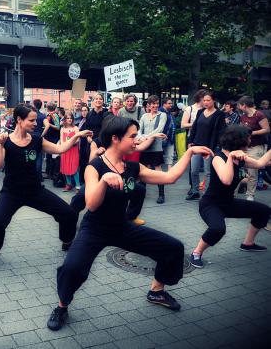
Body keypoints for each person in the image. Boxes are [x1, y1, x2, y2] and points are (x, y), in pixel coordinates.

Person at [46, 116, 213, 331]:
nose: (137, 140)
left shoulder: (133, 167)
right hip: (94, 229)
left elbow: (170, 177)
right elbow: (91, 204)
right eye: (133, 136)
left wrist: (189, 153)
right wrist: (105, 181)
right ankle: (62, 306)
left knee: (172, 247)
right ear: (115, 138)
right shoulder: (94, 167)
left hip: (121, 227)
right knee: (72, 267)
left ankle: (156, 291)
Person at [0, 104, 93, 268]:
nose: (36, 123)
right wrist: (0, 144)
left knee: (68, 214)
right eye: (32, 120)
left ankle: (67, 241)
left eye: (35, 120)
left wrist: (77, 135)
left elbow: (60, 148)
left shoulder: (36, 140)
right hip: (11, 192)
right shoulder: (6, 141)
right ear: (19, 120)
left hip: (35, 191)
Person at [189, 125, 271, 268]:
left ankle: (248, 243)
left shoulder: (241, 158)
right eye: (248, 138)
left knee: (263, 210)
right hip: (211, 204)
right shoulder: (218, 158)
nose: (250, 141)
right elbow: (226, 180)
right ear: (239, 141)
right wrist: (231, 157)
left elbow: (260, 163)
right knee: (218, 229)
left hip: (228, 203)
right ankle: (196, 253)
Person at [186, 91, 226, 200]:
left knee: (208, 172)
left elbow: (221, 133)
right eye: (204, 100)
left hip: (209, 147)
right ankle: (195, 191)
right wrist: (190, 141)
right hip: (196, 146)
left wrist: (215, 148)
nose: (206, 102)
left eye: (208, 100)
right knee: (193, 170)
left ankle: (207, 195)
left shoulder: (219, 114)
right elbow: (194, 128)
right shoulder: (200, 112)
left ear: (213, 101)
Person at [238, 96, 270, 201]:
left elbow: (266, 129)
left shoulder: (259, 115)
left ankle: (250, 195)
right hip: (244, 146)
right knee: (240, 170)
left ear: (244, 105)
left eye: (240, 105)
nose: (238, 107)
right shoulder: (243, 116)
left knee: (252, 172)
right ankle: (236, 191)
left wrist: (252, 133)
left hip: (256, 146)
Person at [139, 95, 168, 204]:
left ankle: (161, 195)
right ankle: (142, 192)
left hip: (156, 147)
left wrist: (145, 137)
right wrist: (142, 137)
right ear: (149, 105)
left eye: (157, 103)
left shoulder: (162, 115)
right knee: (144, 170)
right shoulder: (144, 116)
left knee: (158, 169)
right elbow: (138, 130)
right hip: (144, 147)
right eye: (153, 104)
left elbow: (159, 129)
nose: (155, 105)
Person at [181, 89, 206, 194]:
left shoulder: (208, 109)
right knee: (193, 166)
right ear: (200, 98)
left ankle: (205, 187)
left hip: (206, 139)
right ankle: (193, 187)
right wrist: (196, 124)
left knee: (207, 167)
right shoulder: (190, 109)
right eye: (204, 98)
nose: (206, 101)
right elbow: (183, 125)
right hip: (193, 138)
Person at [60, 113, 81, 192]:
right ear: (65, 120)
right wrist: (64, 146)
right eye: (67, 118)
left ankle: (78, 186)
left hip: (73, 150)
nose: (69, 119)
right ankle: (68, 185)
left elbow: (78, 139)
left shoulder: (75, 128)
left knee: (74, 168)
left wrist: (70, 143)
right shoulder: (62, 129)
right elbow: (61, 140)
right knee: (65, 167)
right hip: (65, 150)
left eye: (71, 118)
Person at [42, 102, 61, 179]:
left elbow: (58, 127)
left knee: (52, 156)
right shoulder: (50, 115)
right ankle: (49, 172)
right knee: (49, 156)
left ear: (47, 108)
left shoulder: (54, 115)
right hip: (50, 137)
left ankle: (51, 173)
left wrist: (49, 125)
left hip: (53, 138)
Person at [159, 97, 176, 171]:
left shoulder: (168, 112)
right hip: (162, 136)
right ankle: (158, 171)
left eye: (171, 103)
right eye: (169, 103)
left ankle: (170, 170)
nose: (171, 105)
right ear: (164, 104)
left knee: (170, 154)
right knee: (158, 154)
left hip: (170, 137)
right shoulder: (160, 112)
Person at [32, 99, 46, 179]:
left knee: (31, 155)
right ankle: (39, 176)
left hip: (31, 136)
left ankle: (33, 176)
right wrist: (42, 134)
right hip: (38, 136)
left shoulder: (31, 114)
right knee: (39, 157)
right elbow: (47, 126)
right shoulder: (42, 115)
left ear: (34, 105)